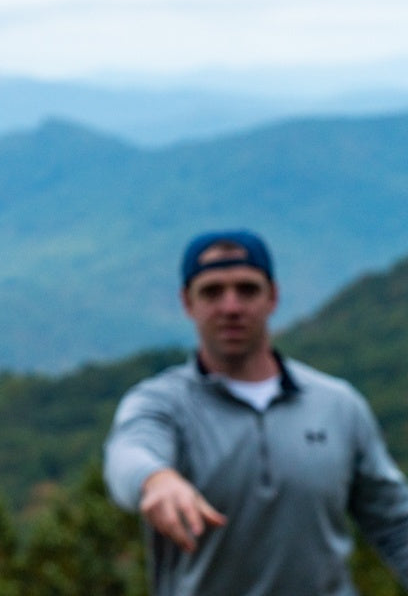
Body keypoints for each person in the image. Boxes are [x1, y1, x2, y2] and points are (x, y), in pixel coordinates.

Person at [103, 229, 408, 595]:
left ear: (273, 297)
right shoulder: (163, 404)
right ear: (187, 302)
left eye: (247, 289)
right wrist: (156, 480)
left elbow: (395, 523)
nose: (231, 307)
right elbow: (128, 453)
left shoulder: (337, 405)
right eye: (212, 292)